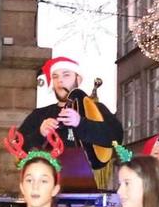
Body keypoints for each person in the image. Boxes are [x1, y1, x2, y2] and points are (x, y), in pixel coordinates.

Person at [18, 55, 124, 191]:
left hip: (88, 195)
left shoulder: (96, 109)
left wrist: (81, 123)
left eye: (66, 75)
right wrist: (39, 133)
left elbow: (115, 137)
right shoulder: (39, 115)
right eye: (55, 76)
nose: (60, 80)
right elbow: (18, 149)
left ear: (78, 79)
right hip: (45, 192)